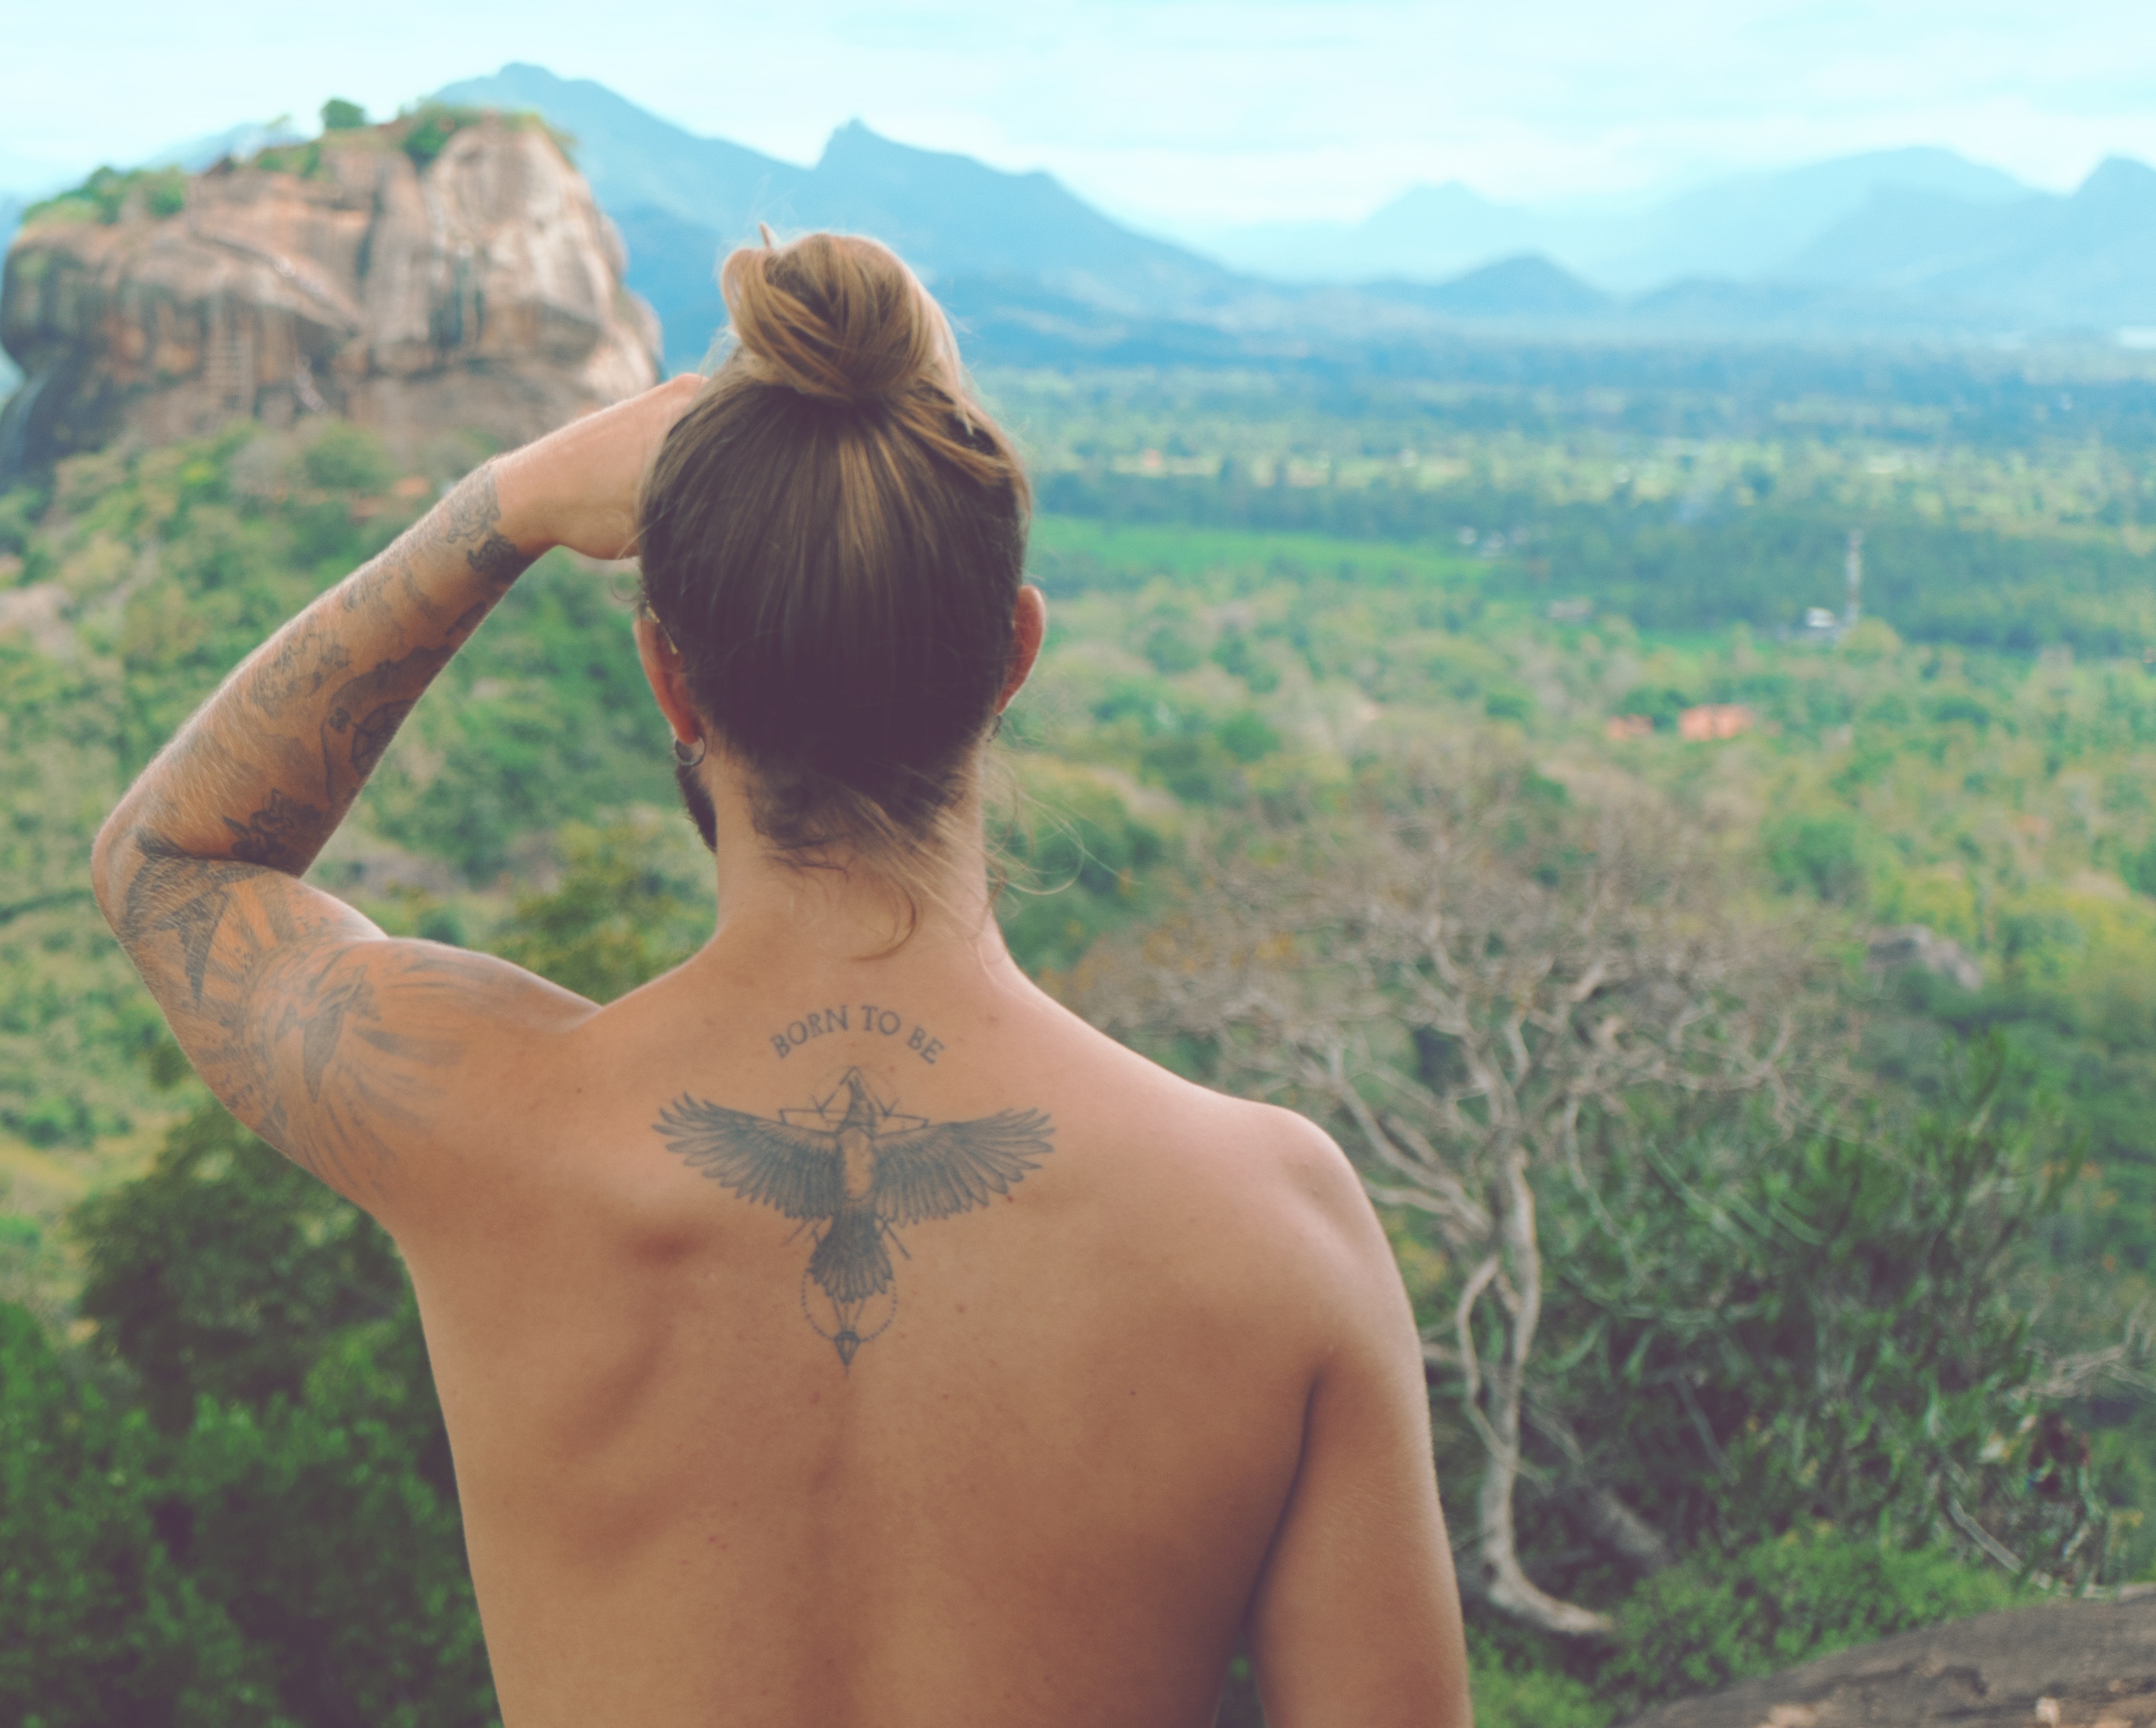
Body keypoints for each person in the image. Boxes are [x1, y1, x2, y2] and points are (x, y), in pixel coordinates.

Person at [91, 231, 1470, 1727]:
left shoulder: (493, 1124)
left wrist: (500, 507)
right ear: (1011, 654)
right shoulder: (1276, 1227)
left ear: (670, 677)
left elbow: (174, 863)